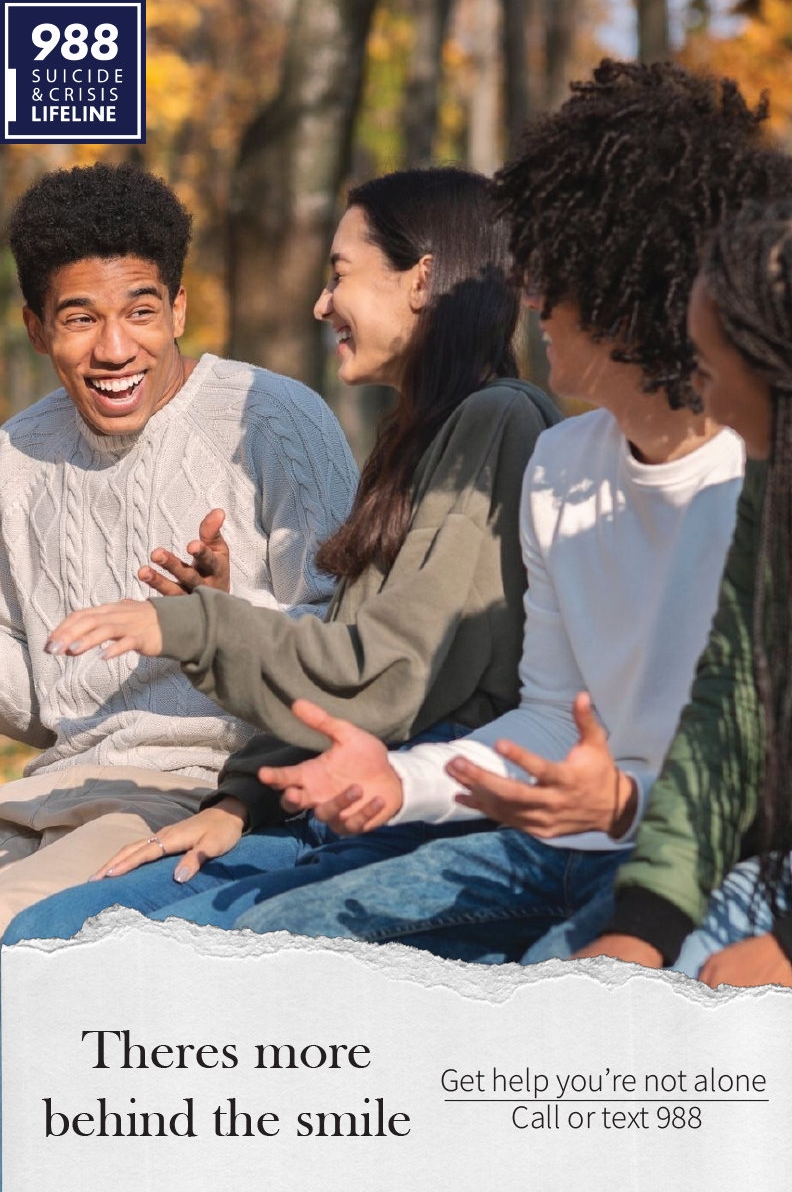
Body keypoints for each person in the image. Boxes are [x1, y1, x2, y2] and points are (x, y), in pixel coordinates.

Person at [76, 58, 792, 962]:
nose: (523, 290)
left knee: (556, 1027)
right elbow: (540, 719)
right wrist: (396, 780)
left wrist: (626, 831)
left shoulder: (742, 481)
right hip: (549, 843)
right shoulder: (563, 462)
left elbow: (731, 759)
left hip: (688, 857)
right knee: (261, 956)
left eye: (555, 264)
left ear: (627, 277)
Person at [2, 166, 558, 942]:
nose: (321, 303)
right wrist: (240, 805)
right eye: (80, 319)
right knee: (58, 926)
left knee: (45, 938)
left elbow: (387, 673)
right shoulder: (417, 439)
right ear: (39, 330)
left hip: (415, 810)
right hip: (285, 797)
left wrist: (198, 625)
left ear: (423, 280)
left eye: (339, 276)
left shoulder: (494, 421)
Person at [0, 161, 359, 931]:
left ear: (179, 308)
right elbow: (43, 695)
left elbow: (351, 642)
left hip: (207, 789)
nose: (116, 348)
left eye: (140, 311)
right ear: (37, 329)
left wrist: (221, 617)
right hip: (53, 789)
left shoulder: (273, 421)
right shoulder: (15, 456)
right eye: (80, 318)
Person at [575, 200, 792, 988]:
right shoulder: (770, 484)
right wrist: (647, 921)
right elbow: (731, 702)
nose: (693, 385)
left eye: (707, 362)